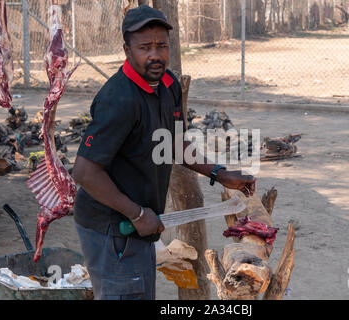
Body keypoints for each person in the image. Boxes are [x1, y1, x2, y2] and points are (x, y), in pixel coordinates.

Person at [71, 5, 256, 300]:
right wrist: (137, 212)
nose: (155, 55)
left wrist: (220, 174)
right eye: (145, 47)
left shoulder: (168, 84)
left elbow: (174, 141)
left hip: (140, 224)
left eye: (161, 46)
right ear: (127, 50)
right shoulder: (119, 99)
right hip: (111, 227)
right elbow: (84, 172)